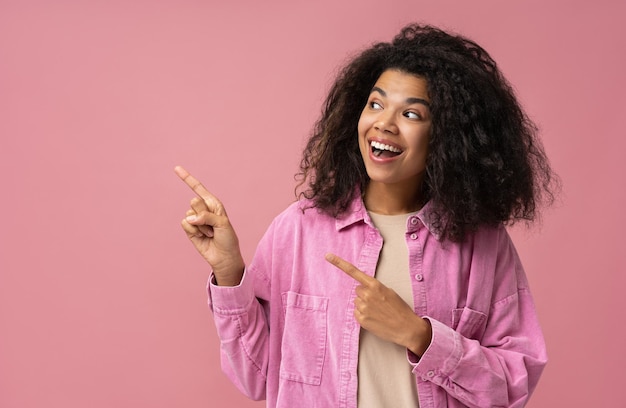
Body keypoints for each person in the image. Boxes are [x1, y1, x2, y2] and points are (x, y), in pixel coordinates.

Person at [176, 23, 557, 408]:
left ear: (448, 136)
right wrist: (229, 272)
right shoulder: (298, 230)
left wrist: (420, 336)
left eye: (411, 113)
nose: (384, 124)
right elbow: (256, 378)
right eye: (375, 104)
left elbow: (512, 387)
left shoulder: (482, 244)